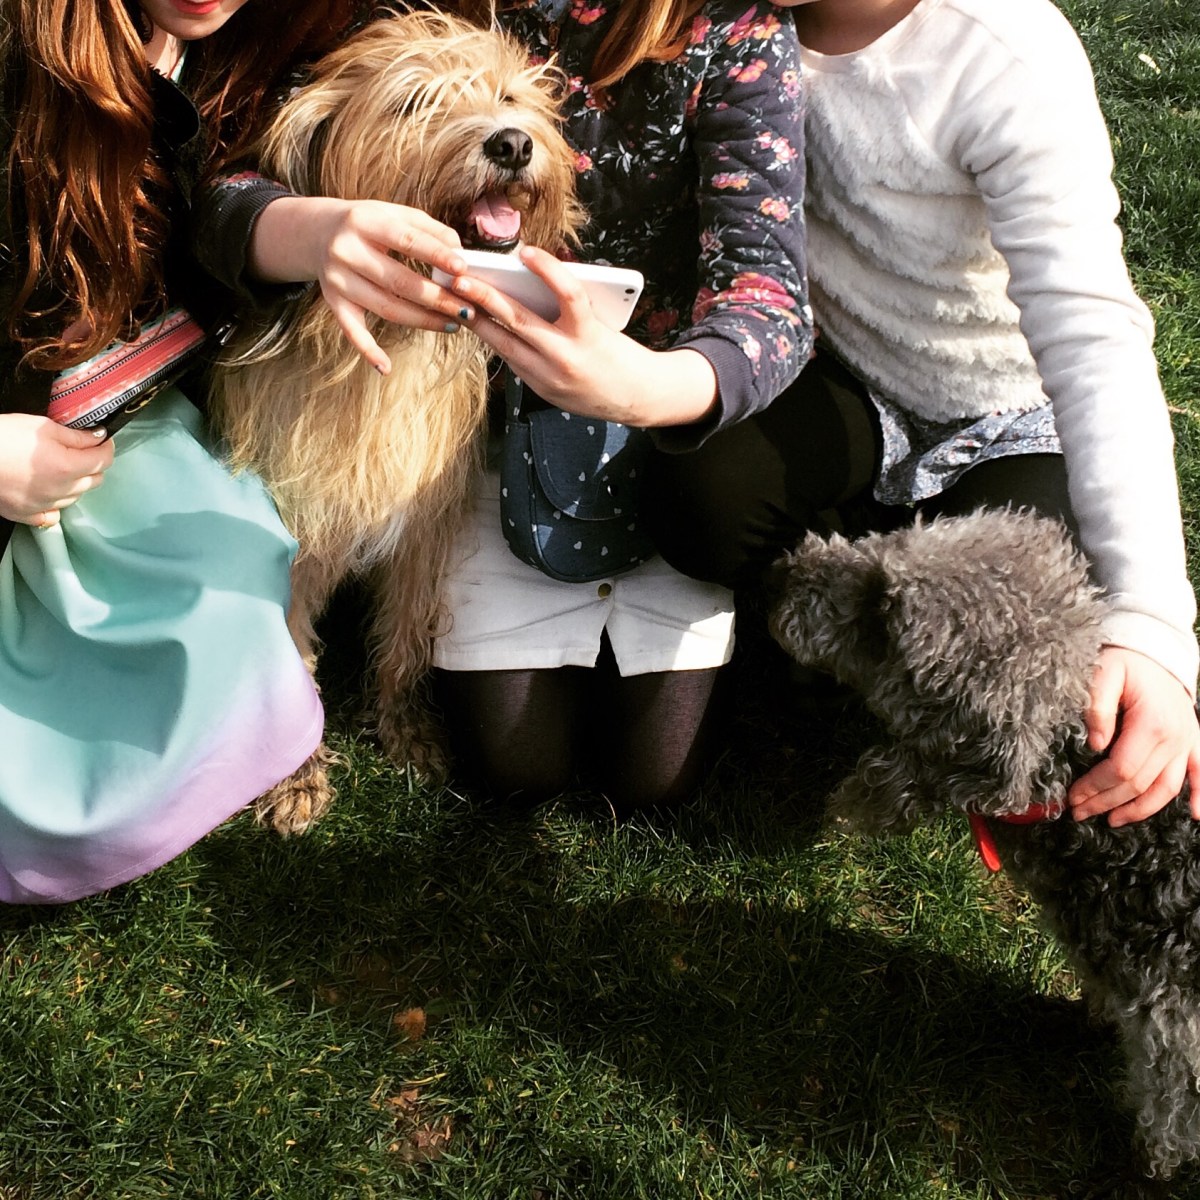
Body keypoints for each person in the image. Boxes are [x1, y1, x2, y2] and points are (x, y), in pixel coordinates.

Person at [211, 0, 813, 812]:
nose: (509, 135)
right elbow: (232, 162)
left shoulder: (734, 28)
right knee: (512, 758)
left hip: (653, 403)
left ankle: (398, 686)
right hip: (466, 381)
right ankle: (290, 729)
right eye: (425, 107)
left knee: (655, 772)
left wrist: (642, 389)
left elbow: (769, 295)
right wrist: (303, 228)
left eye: (513, 102)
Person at [644, 0, 1200, 827]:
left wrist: (1151, 623)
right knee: (698, 492)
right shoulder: (735, 22)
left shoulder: (1004, 50)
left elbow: (1093, 340)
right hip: (846, 373)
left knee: (1036, 641)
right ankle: (840, 603)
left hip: (1006, 409)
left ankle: (876, 616)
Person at [0, 0, 361, 904]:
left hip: (111, 424)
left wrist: (321, 234)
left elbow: (219, 211)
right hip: (20, 434)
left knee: (230, 572)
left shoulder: (255, 45)